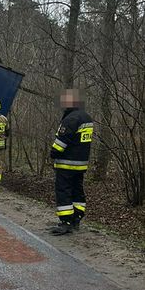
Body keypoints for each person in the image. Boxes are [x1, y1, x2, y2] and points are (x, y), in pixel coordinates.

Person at [49, 89, 93, 235]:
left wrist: (53, 153)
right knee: (77, 191)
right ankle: (76, 218)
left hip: (66, 163)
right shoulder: (87, 118)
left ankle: (65, 222)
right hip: (81, 163)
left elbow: (61, 141)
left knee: (64, 191)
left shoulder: (71, 119)